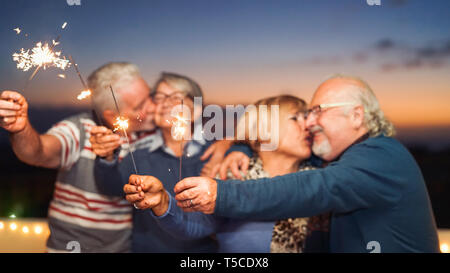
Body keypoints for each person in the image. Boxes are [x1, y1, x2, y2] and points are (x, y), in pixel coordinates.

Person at [170, 74, 440, 253]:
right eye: (302, 116)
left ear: (357, 115)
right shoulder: (338, 159)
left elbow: (316, 187)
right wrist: (237, 144)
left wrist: (220, 193)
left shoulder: (378, 157)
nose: (309, 123)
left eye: (317, 111)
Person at [123, 95, 330, 253]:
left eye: (307, 117)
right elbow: (194, 225)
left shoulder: (324, 179)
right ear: (264, 129)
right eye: (296, 118)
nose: (309, 125)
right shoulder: (231, 177)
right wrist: (162, 203)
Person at [0, 62, 158, 252]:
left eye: (149, 96)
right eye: (140, 105)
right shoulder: (78, 131)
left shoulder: (146, 137)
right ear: (111, 115)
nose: (152, 106)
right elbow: (38, 152)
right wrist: (21, 130)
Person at [92, 72, 231, 252]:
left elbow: (216, 219)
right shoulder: (138, 152)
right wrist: (106, 157)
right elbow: (109, 187)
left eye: (175, 98)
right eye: (159, 97)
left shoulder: (217, 154)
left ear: (196, 110)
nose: (165, 103)